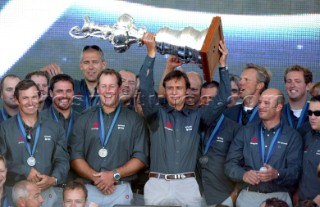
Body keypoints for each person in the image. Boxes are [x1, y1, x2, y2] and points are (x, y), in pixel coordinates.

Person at [140, 33, 230, 206]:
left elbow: (223, 98)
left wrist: (223, 65)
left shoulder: (198, 117)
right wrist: (151, 54)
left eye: (179, 88)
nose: (174, 92)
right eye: (170, 88)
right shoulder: (155, 114)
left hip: (187, 184)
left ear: (186, 91)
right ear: (164, 91)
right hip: (158, 184)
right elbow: (145, 88)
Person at [68, 69, 149, 206]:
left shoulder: (134, 120)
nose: (107, 91)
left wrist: (114, 175)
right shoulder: (84, 118)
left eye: (111, 86)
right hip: (90, 190)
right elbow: (75, 157)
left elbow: (140, 158)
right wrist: (98, 179)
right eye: (104, 86)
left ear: (119, 88)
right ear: (98, 89)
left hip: (121, 189)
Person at [225, 88, 303, 207]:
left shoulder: (293, 136)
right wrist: (243, 175)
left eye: (266, 103)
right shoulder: (245, 132)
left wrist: (277, 174)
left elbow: (296, 172)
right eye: (260, 102)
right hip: (248, 196)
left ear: (279, 107)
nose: (261, 106)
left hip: (279, 197)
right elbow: (229, 164)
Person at [0, 79, 70, 207]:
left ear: (39, 98)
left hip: (47, 192)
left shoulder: (55, 127)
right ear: (16, 100)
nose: (31, 102)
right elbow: (1, 162)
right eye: (25, 98)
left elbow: (62, 160)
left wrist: (53, 179)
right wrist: (25, 170)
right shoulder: (4, 128)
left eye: (34, 97)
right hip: (16, 194)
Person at [41, 45, 107, 113]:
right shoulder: (70, 87)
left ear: (103, 65)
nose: (90, 67)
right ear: (81, 66)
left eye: (95, 62)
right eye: (86, 62)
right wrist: (41, 75)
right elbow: (35, 97)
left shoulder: (112, 91)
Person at [198, 107, 241, 206]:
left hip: (222, 197)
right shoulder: (193, 124)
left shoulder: (235, 129)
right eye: (204, 98)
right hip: (195, 195)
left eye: (212, 99)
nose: (209, 103)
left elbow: (243, 165)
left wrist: (234, 195)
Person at [41, 74, 80, 141]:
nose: (64, 95)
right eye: (59, 91)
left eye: (68, 91)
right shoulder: (39, 119)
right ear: (51, 93)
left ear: (73, 93)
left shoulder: (82, 120)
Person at [298, 95, 320, 206]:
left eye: (317, 113)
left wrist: (316, 202)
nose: (312, 117)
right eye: (310, 112)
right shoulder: (304, 133)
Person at [282, 65, 313, 130]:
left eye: (297, 81)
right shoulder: (277, 113)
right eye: (289, 81)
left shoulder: (316, 113)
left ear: (308, 86)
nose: (292, 85)